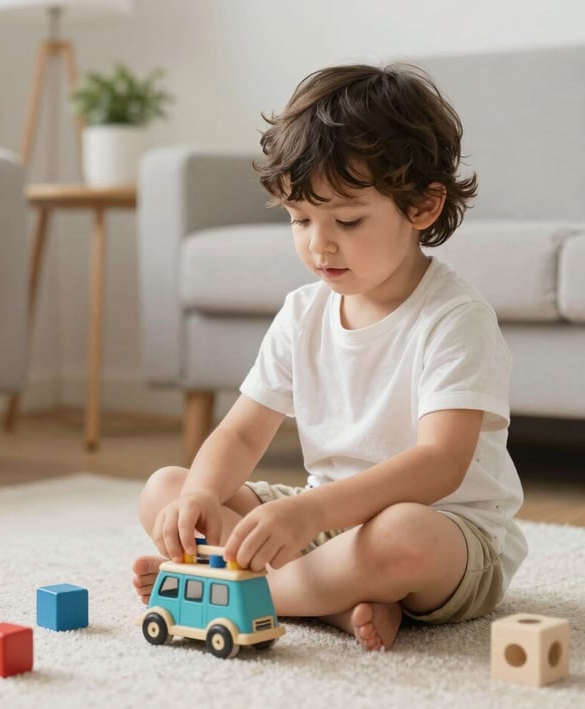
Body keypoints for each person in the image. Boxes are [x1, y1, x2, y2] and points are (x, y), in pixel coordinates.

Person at [132, 63, 527, 652]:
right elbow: (241, 435)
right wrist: (200, 500)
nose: (319, 244)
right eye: (299, 220)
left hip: (444, 530)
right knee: (167, 487)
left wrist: (309, 516)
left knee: (403, 535)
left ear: (422, 206)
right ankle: (331, 601)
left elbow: (439, 464)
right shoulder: (302, 313)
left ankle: (252, 591)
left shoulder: (454, 317)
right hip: (323, 525)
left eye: (346, 219)